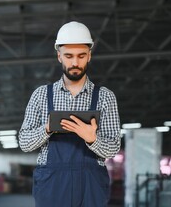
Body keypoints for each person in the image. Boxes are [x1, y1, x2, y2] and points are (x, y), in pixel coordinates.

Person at [19, 21, 121, 207]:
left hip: (91, 184)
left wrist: (92, 139)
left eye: (81, 55)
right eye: (69, 56)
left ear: (89, 55)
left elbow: (113, 147)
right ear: (59, 56)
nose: (75, 62)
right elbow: (24, 143)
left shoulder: (105, 97)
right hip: (52, 184)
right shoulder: (41, 95)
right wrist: (47, 128)